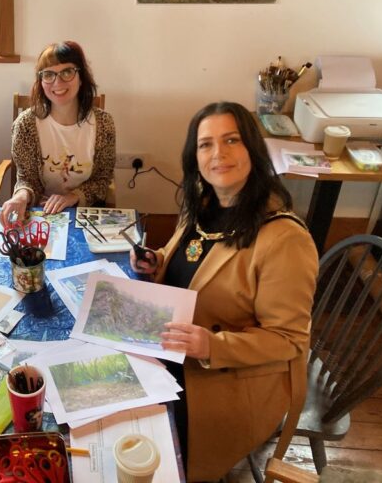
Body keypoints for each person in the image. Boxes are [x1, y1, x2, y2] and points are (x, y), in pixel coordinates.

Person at [129, 102, 318, 482]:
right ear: (194, 156)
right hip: (174, 340)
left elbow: (289, 339)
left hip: (228, 376)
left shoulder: (284, 239)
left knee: (148, 438)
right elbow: (188, 258)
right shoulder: (204, 203)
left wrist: (213, 347)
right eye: (205, 144)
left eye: (231, 140)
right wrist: (158, 260)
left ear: (253, 148)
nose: (218, 154)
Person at [0, 41, 115, 226]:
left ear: (81, 76)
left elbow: (102, 180)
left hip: (85, 215)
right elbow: (27, 180)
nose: (57, 82)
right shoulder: (26, 125)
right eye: (48, 74)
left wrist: (73, 196)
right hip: (40, 214)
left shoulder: (103, 124)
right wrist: (20, 197)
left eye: (67, 72)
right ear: (41, 80)